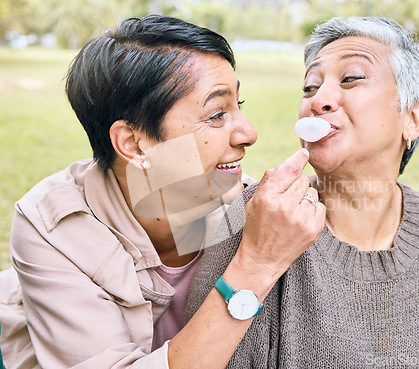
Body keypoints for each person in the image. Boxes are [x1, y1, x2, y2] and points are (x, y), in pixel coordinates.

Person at [0, 15, 326, 368]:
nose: (248, 133)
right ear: (134, 144)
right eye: (217, 114)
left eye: (238, 105)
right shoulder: (52, 228)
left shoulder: (251, 209)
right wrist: (256, 265)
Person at [187, 16, 419, 368]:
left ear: (413, 117)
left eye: (350, 78)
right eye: (309, 88)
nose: (318, 99)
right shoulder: (258, 215)